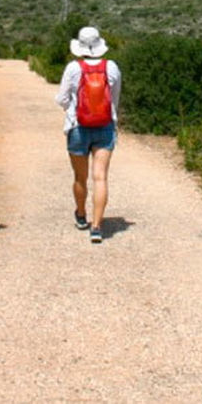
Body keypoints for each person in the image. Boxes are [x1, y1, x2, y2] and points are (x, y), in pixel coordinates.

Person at [55, 26, 121, 243]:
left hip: (78, 128)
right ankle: (97, 227)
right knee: (100, 177)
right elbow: (114, 99)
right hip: (105, 127)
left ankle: (81, 214)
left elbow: (62, 99)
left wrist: (72, 110)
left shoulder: (73, 68)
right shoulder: (112, 67)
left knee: (80, 177)